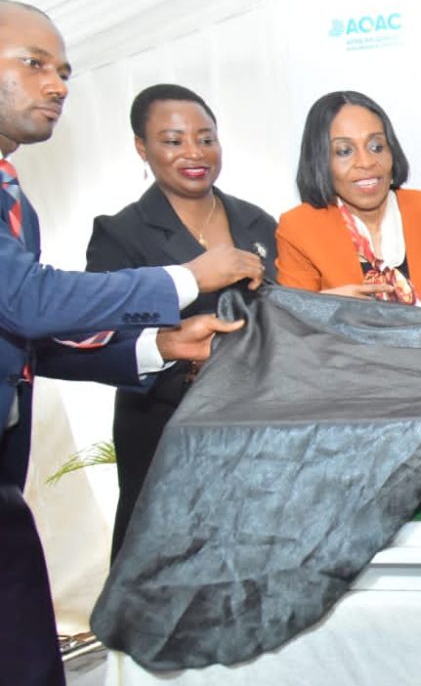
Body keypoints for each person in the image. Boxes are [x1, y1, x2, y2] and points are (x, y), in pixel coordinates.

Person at [0, 0, 264, 686]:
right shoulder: (118, 228)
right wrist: (188, 277)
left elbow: (31, 339)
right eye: (34, 65)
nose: (57, 85)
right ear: (143, 149)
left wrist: (165, 346)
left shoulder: (13, 195)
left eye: (64, 71)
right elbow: (29, 302)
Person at [86, 83, 278, 561]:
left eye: (206, 138)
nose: (194, 152)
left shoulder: (257, 223)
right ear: (142, 148)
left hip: (258, 429)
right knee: (165, 567)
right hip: (165, 428)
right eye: (173, 141)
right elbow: (103, 340)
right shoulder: (119, 233)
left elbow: (282, 311)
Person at [276, 91, 421, 311]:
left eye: (376, 147)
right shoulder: (298, 229)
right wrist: (327, 309)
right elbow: (293, 331)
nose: (366, 162)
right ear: (320, 160)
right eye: (344, 151)